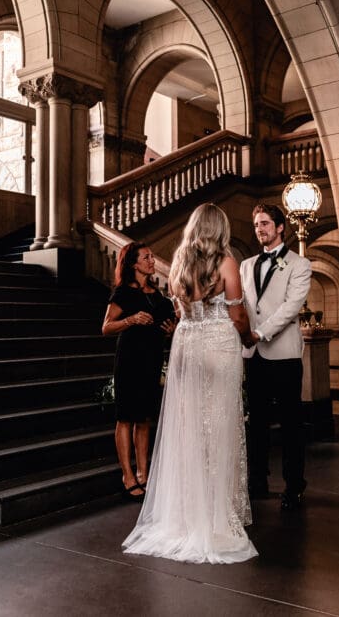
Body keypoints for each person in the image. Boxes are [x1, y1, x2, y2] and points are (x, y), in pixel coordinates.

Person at [122, 203, 258, 564]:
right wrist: (248, 339)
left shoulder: (179, 261)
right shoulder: (226, 262)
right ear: (221, 228)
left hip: (187, 344)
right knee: (221, 427)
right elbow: (238, 314)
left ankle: (185, 514)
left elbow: (181, 311)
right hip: (218, 344)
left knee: (190, 429)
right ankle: (214, 517)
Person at [240, 203, 312, 511]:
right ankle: (258, 480)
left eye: (265, 223)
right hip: (252, 354)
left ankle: (294, 485)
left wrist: (259, 333)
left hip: (283, 355)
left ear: (280, 227)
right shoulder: (245, 265)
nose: (260, 229)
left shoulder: (299, 264)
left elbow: (290, 307)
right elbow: (242, 305)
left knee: (290, 423)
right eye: (257, 224)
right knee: (256, 421)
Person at [102, 242, 176, 501]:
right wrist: (131, 320)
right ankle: (127, 475)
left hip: (151, 360)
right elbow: (106, 327)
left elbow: (168, 325)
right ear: (134, 263)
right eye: (147, 257)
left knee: (144, 419)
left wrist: (170, 330)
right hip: (129, 362)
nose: (152, 260)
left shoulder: (158, 296)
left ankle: (143, 473)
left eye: (152, 256)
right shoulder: (123, 293)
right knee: (126, 418)